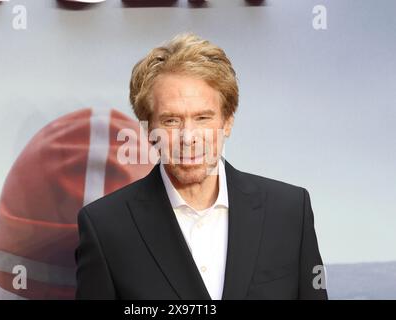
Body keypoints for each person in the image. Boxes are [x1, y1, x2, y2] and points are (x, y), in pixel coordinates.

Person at [75, 33, 328, 300]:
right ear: (148, 129)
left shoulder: (289, 211)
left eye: (203, 118)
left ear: (227, 121)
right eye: (171, 121)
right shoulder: (105, 228)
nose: (188, 137)